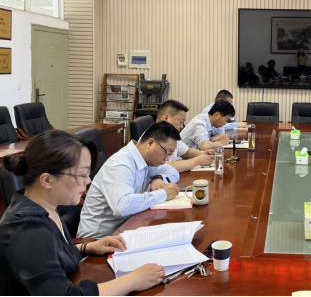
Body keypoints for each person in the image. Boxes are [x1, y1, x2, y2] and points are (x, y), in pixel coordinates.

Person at [0, 131, 165, 296]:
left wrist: (86, 248)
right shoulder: (28, 229)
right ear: (47, 180)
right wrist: (132, 281)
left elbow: (50, 255)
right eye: (82, 175)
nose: (89, 181)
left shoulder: (45, 207)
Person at [78, 122, 181, 239]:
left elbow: (172, 171)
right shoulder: (121, 164)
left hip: (127, 228)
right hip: (98, 240)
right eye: (167, 152)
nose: (167, 158)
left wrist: (158, 178)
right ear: (150, 143)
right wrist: (163, 194)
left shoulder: (145, 159)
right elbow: (122, 207)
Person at [157, 100, 215, 172]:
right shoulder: (155, 137)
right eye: (180, 121)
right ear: (166, 118)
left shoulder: (171, 135)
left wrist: (203, 153)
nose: (182, 127)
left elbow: (186, 152)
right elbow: (166, 167)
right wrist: (198, 161)